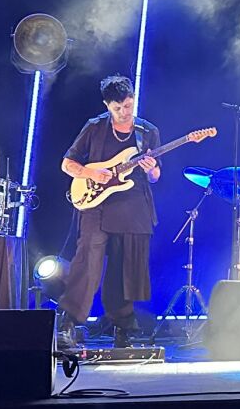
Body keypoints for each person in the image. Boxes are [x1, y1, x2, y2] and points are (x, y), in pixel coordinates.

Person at [57, 76, 160, 349]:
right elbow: (67, 163)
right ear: (107, 105)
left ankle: (122, 328)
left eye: (128, 105)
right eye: (118, 108)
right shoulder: (94, 127)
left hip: (133, 207)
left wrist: (151, 169)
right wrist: (90, 173)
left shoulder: (147, 131)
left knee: (125, 268)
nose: (124, 112)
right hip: (98, 206)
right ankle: (68, 322)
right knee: (86, 264)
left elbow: (155, 177)